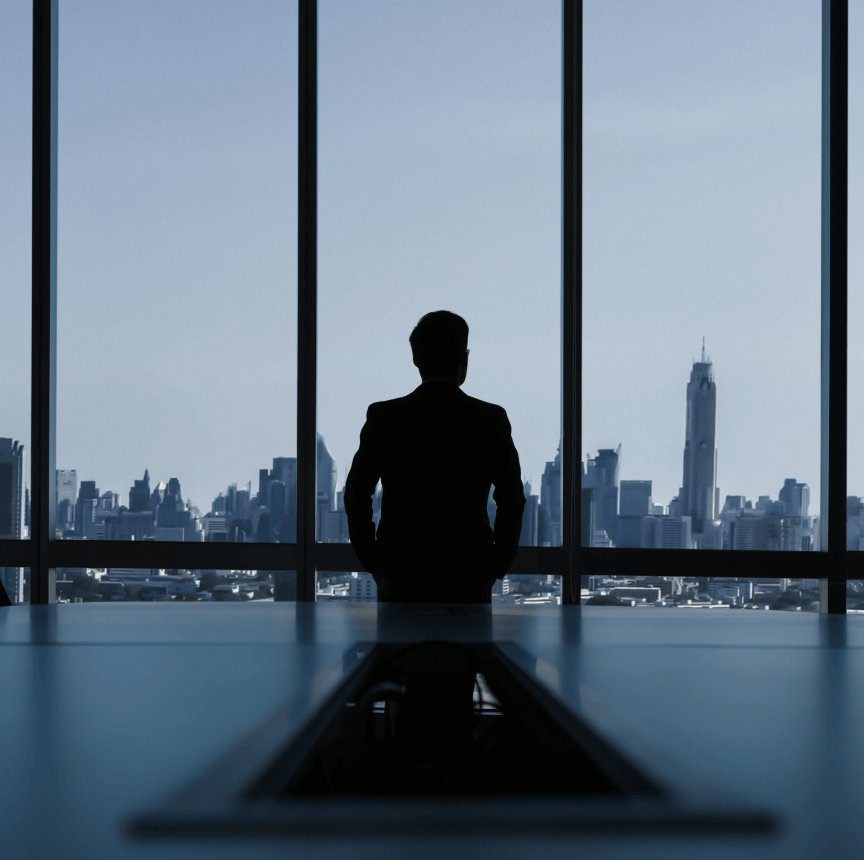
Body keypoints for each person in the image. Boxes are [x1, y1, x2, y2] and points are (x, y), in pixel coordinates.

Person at [344, 310, 526, 603]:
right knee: (468, 648)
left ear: (416, 358)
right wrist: (495, 566)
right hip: (468, 573)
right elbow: (512, 498)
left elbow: (356, 494)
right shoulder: (489, 419)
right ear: (464, 358)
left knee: (400, 648)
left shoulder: (384, 418)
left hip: (401, 572)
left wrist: (375, 562)